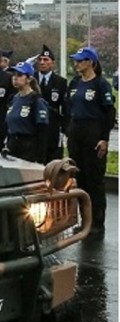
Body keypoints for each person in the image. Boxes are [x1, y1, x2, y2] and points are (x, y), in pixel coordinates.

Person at [66, 46, 116, 237]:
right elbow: (69, 106)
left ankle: (97, 223)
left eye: (80, 60)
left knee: (94, 179)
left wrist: (104, 138)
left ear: (91, 62)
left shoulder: (101, 84)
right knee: (80, 178)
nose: (77, 64)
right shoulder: (75, 83)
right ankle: (85, 221)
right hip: (76, 131)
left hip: (93, 132)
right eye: (76, 61)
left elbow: (109, 112)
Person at [4, 61, 49, 163]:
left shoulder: (35, 100)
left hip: (28, 146)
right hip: (13, 145)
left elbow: (42, 130)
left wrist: (40, 157)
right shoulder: (13, 99)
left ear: (28, 79)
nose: (15, 78)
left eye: (20, 75)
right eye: (13, 75)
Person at [35, 44, 67, 161]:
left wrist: (64, 128)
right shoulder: (31, 79)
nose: (42, 62)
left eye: (46, 60)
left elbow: (65, 107)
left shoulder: (60, 82)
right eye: (40, 60)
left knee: (52, 162)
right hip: (34, 126)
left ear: (53, 63)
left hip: (52, 127)